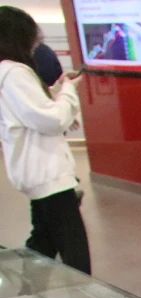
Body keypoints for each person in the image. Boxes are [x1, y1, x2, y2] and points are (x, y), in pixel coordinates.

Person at [0, 6, 91, 274]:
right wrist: (68, 93)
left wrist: (56, 92)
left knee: (43, 241)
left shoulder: (8, 73)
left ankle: (26, 290)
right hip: (47, 174)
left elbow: (31, 111)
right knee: (74, 250)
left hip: (35, 173)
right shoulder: (15, 73)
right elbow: (51, 120)